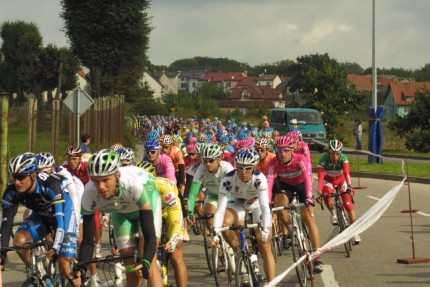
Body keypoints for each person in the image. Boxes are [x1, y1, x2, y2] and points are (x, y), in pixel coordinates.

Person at [79, 149, 162, 287]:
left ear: (117, 175)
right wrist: (81, 269)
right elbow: (88, 241)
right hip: (121, 212)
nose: (101, 187)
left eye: (106, 180)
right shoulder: (89, 193)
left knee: (148, 261)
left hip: (146, 201)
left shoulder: (133, 185)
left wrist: (146, 262)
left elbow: (149, 236)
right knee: (127, 259)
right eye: (96, 181)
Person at [0, 153, 81, 286]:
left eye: (20, 177)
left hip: (63, 213)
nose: (16, 182)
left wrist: (56, 246)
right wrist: (1, 259)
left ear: (33, 175)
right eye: (14, 177)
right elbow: (5, 226)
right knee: (19, 242)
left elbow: (59, 222)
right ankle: (43, 279)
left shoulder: (50, 184)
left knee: (64, 262)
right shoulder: (11, 192)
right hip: (42, 215)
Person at [213, 149, 276, 282]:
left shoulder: (260, 179)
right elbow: (220, 210)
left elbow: (265, 208)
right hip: (238, 203)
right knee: (225, 223)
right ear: (236, 166)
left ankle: (272, 283)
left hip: (257, 205)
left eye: (248, 168)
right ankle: (240, 252)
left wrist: (265, 230)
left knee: (265, 245)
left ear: (254, 167)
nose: (243, 172)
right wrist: (216, 233)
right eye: (240, 168)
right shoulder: (227, 179)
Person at [266, 136, 324, 274]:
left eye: (286, 150)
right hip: (286, 186)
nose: (282, 154)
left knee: (308, 218)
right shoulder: (273, 163)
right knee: (279, 206)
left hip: (302, 186)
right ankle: (291, 229)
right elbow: (269, 183)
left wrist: (309, 197)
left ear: (292, 150)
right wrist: (267, 201)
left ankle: (317, 256)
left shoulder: (300, 159)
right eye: (279, 151)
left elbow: (307, 178)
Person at [137, 161, 188, 287]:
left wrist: (174, 239)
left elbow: (174, 212)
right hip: (150, 214)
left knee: (176, 254)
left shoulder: (163, 187)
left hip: (169, 211)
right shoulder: (134, 190)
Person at [316, 139, 361, 244]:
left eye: (337, 154)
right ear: (329, 152)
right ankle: (333, 213)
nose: (335, 156)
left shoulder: (344, 159)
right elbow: (321, 178)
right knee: (326, 194)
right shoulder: (323, 160)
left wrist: (349, 186)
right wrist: (319, 192)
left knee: (348, 205)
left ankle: (355, 232)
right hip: (328, 181)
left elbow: (347, 173)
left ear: (340, 153)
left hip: (341, 181)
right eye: (332, 153)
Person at [187, 143, 234, 229]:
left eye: (211, 160)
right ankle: (216, 237)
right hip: (213, 197)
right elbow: (193, 193)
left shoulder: (227, 168)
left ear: (219, 159)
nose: (208, 164)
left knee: (226, 223)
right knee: (208, 216)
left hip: (229, 197)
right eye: (205, 161)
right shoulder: (201, 169)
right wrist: (190, 212)